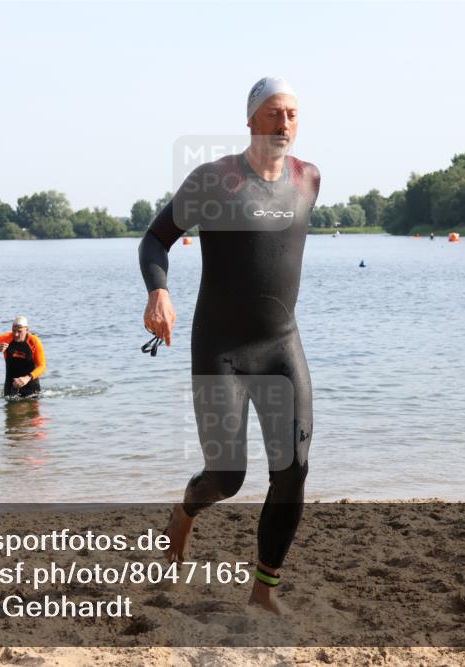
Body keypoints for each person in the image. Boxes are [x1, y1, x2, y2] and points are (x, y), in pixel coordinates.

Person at [138, 76, 319, 614]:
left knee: (294, 468)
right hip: (221, 347)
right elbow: (155, 239)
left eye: (290, 113)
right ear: (249, 119)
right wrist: (159, 293)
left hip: (282, 344)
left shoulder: (309, 179)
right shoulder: (215, 180)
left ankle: (264, 591)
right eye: (271, 113)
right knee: (228, 475)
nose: (282, 123)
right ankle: (185, 512)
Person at [0, 315, 47, 397]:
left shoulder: (34, 341)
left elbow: (42, 366)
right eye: (13, 330)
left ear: (27, 330)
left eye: (19, 331)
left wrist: (27, 378)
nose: (16, 334)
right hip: (10, 388)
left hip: (31, 387)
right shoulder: (5, 338)